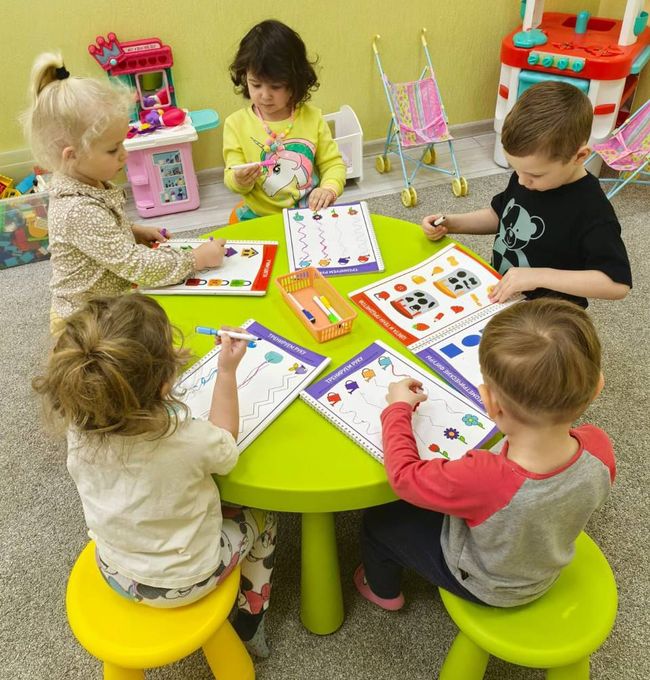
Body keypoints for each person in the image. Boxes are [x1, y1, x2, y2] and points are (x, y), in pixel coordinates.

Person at [32, 294, 276, 658]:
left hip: (115, 570)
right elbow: (226, 447)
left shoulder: (79, 426)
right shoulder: (186, 439)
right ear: (164, 383)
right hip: (189, 578)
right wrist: (226, 371)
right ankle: (250, 621)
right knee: (265, 518)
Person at [354, 298, 615, 610]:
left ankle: (382, 592)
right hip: (542, 567)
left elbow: (404, 478)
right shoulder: (599, 448)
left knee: (379, 523)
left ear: (490, 404)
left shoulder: (486, 477)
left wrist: (397, 409)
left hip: (485, 583)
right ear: (597, 387)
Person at [21, 52, 225, 332]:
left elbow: (102, 227)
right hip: (86, 322)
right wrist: (195, 259)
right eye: (112, 149)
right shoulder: (78, 210)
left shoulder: (86, 180)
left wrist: (131, 231)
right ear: (72, 155)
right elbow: (135, 265)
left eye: (122, 143)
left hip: (109, 299)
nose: (124, 155)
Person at [421, 81, 632, 308]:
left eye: (535, 174)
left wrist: (539, 276)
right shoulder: (527, 178)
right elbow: (500, 216)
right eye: (516, 169)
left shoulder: (591, 209)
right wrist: (452, 223)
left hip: (546, 316)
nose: (521, 181)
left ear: (579, 157)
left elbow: (617, 284)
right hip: (504, 297)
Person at [223, 19, 347, 221]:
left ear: (295, 82)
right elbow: (231, 174)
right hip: (258, 216)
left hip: (308, 211)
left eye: (276, 86)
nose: (265, 95)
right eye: (256, 85)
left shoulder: (313, 118)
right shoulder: (235, 124)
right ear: (245, 77)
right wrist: (239, 180)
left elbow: (333, 164)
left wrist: (328, 189)